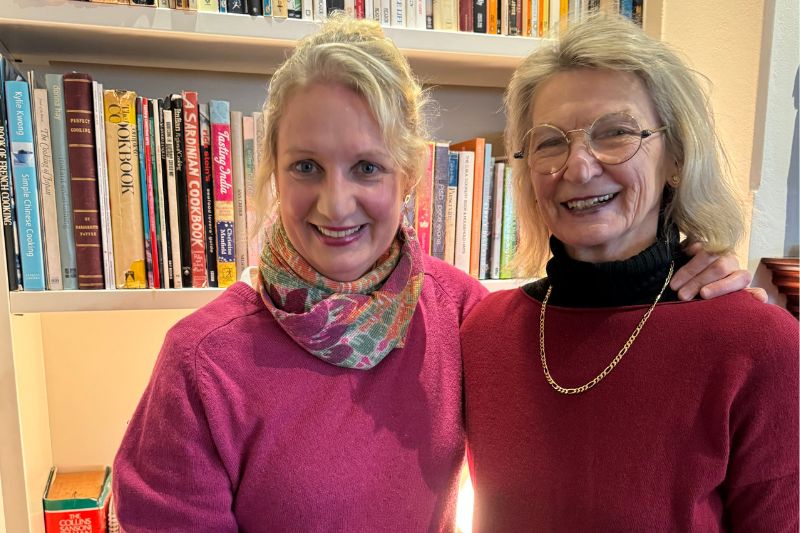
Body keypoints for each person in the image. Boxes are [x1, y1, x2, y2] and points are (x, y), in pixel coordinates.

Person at [112, 15, 759, 532]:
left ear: (411, 176)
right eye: (306, 166)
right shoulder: (203, 363)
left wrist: (714, 290)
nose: (335, 203)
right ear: (272, 172)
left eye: (366, 167)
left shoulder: (461, 314)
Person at [461, 14, 799, 532]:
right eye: (551, 142)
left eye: (615, 133)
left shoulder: (762, 347)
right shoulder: (483, 334)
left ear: (676, 158)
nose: (578, 167)